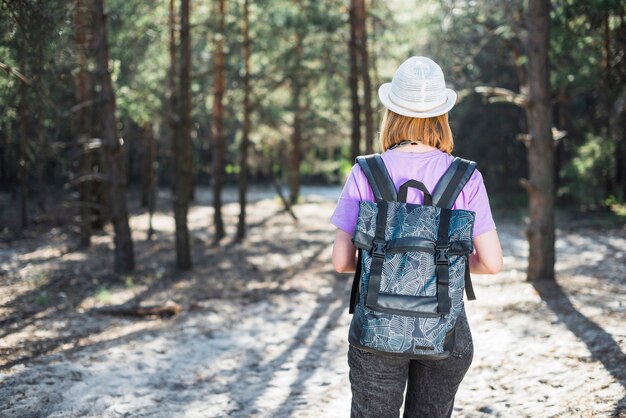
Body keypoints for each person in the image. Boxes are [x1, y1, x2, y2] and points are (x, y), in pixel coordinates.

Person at [330, 56, 503, 418]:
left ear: (391, 112)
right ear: (442, 115)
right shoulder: (465, 176)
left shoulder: (366, 172)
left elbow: (342, 261)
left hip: (377, 331)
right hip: (444, 331)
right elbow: (491, 263)